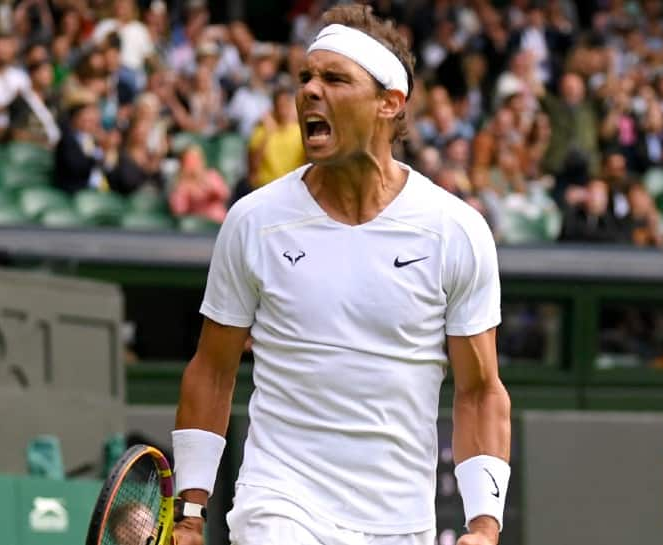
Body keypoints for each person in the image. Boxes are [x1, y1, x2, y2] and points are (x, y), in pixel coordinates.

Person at [171, 6, 510, 545]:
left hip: (401, 524)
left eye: (334, 78)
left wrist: (484, 525)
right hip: (278, 505)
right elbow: (212, 370)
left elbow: (479, 390)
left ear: (388, 103)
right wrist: (190, 511)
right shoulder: (253, 222)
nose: (309, 90)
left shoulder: (455, 231)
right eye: (305, 77)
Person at [168, 145, 229, 223]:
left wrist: (203, 182)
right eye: (190, 160)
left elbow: (224, 194)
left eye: (196, 159)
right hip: (195, 227)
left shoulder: (211, 175)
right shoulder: (180, 183)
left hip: (217, 221)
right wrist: (184, 188)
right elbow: (178, 210)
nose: (194, 164)